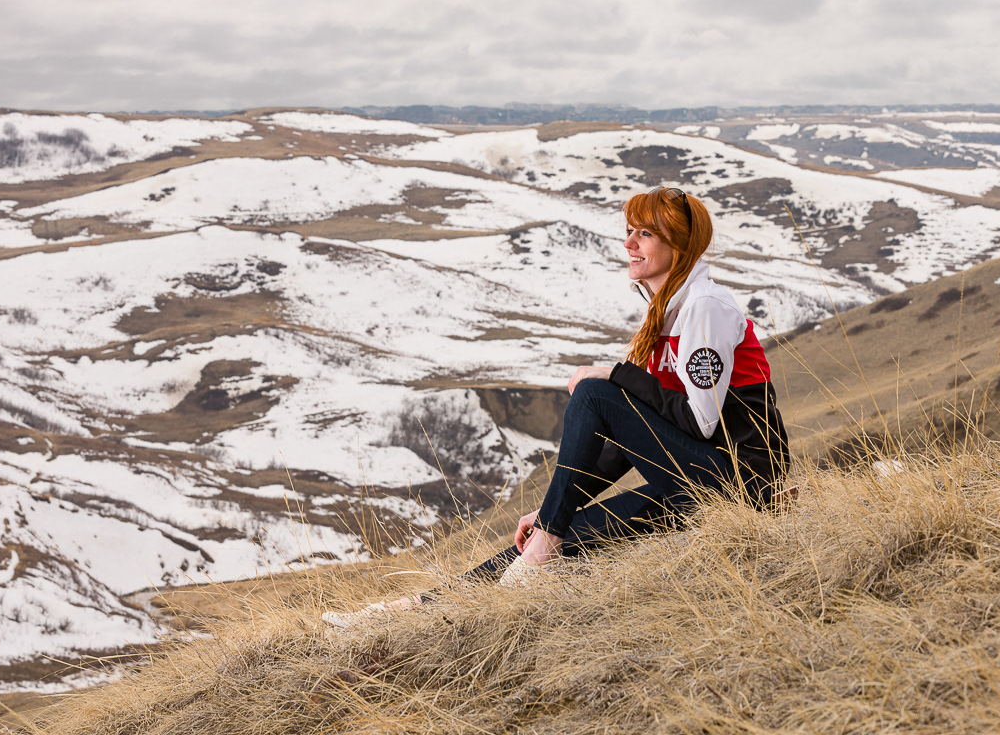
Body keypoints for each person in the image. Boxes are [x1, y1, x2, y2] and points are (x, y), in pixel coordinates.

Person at [323, 187, 791, 626]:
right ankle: (416, 610)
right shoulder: (664, 311)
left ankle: (538, 544)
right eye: (629, 231)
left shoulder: (704, 307)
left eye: (645, 233)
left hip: (741, 484)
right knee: (562, 535)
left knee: (593, 394)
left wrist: (614, 374)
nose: (629, 243)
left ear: (680, 244)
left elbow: (700, 422)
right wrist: (554, 510)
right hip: (698, 482)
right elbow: (632, 443)